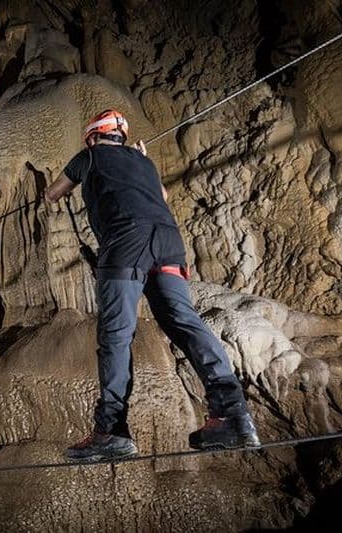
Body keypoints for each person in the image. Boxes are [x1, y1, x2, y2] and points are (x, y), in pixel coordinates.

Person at [44, 110, 260, 461]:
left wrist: (56, 191)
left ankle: (111, 430)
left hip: (125, 244)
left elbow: (54, 193)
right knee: (185, 322)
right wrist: (141, 160)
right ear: (123, 138)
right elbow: (159, 194)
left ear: (92, 137)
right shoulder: (144, 163)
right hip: (168, 243)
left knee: (116, 336)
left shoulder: (90, 156)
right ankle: (232, 413)